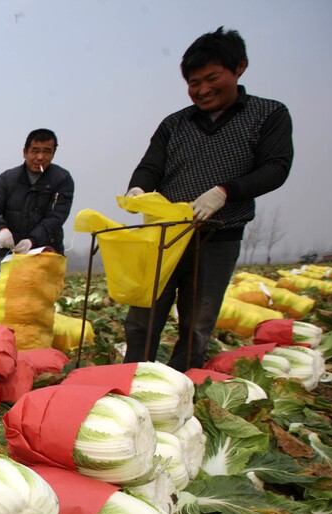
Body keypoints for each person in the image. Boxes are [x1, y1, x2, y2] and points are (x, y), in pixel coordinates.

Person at [123, 26, 292, 370]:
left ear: (239, 67)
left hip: (219, 234)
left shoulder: (267, 115)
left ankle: (182, 385)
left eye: (211, 78)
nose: (202, 90)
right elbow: (150, 166)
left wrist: (225, 191)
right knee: (143, 316)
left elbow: (276, 168)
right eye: (193, 83)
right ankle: (132, 378)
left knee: (197, 323)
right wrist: (138, 189)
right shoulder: (175, 124)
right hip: (165, 236)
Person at [0, 128, 74, 321]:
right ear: (25, 152)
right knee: (0, 301)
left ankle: (33, 347)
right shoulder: (8, 179)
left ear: (54, 153)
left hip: (47, 253)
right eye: (35, 150)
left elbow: (57, 217)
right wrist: (1, 229)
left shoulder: (62, 180)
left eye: (46, 151)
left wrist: (32, 240)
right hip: (11, 254)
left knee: (39, 305)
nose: (40, 156)